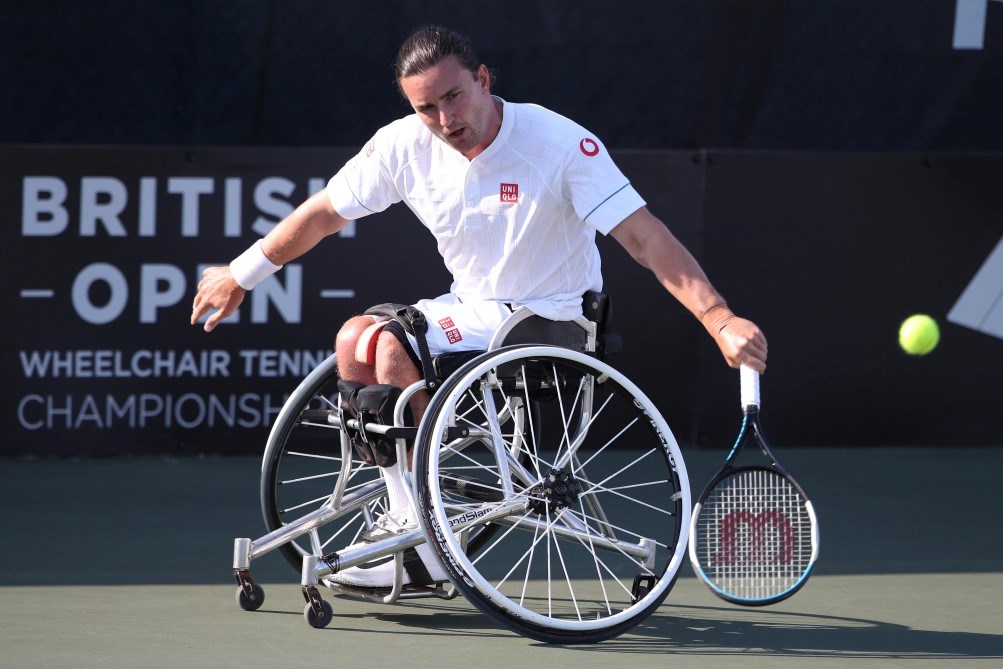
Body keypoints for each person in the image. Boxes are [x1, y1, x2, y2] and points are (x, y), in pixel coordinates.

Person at [190, 25, 767, 589]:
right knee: (353, 339)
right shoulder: (403, 146)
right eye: (426, 108)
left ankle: (424, 533)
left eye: (454, 96)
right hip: (472, 312)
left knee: (388, 340)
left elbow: (644, 237)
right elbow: (322, 215)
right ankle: (409, 512)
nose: (445, 120)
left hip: (554, 320)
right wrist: (242, 275)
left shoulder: (559, 143)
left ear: (483, 79)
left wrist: (718, 318)